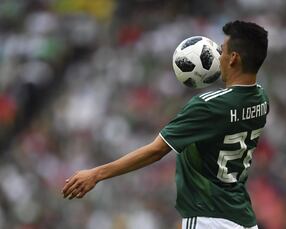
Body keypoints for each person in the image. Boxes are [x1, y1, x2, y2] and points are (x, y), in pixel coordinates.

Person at [62, 20, 269, 229]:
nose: (218, 56)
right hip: (243, 219)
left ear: (233, 58)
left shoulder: (209, 106)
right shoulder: (261, 99)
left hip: (208, 218)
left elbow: (157, 150)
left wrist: (96, 174)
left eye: (222, 51)